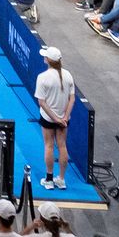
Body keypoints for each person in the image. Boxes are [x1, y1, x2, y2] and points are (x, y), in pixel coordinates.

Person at [34, 47, 76, 189]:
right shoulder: (68, 75)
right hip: (64, 119)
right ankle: (61, 179)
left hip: (48, 118)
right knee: (62, 146)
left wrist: (55, 118)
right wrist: (64, 117)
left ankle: (49, 179)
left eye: (45, 56)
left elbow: (42, 102)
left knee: (49, 146)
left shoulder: (42, 77)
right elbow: (72, 99)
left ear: (48, 60)